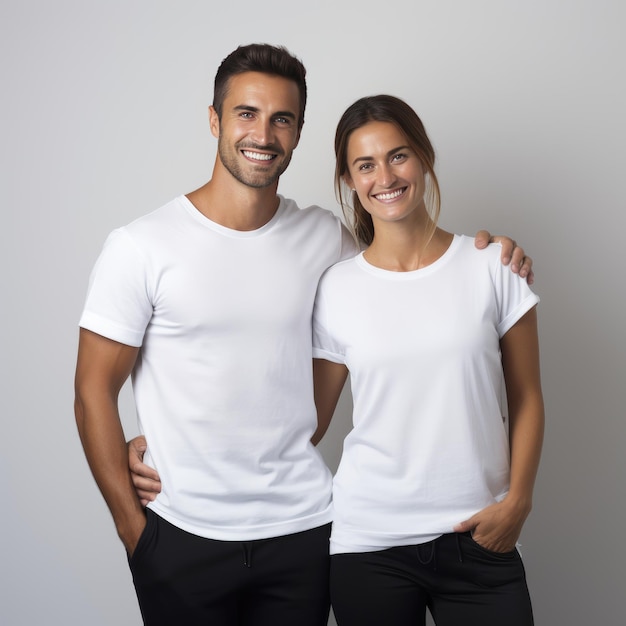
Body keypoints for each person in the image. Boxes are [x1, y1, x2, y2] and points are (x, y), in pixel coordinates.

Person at [75, 43, 533, 626]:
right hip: (183, 535)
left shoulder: (326, 241)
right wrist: (135, 534)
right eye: (246, 113)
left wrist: (495, 254)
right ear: (215, 119)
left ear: (297, 133)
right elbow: (92, 390)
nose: (263, 133)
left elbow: (404, 271)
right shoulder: (141, 246)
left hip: (304, 531)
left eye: (282, 119)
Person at [310, 95, 544, 625]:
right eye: (364, 165)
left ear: (424, 158)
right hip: (368, 542)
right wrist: (173, 445)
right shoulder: (336, 288)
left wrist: (518, 503)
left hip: (480, 535)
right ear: (348, 180)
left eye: (398, 156)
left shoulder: (493, 265)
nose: (384, 177)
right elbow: (308, 420)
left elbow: (527, 396)